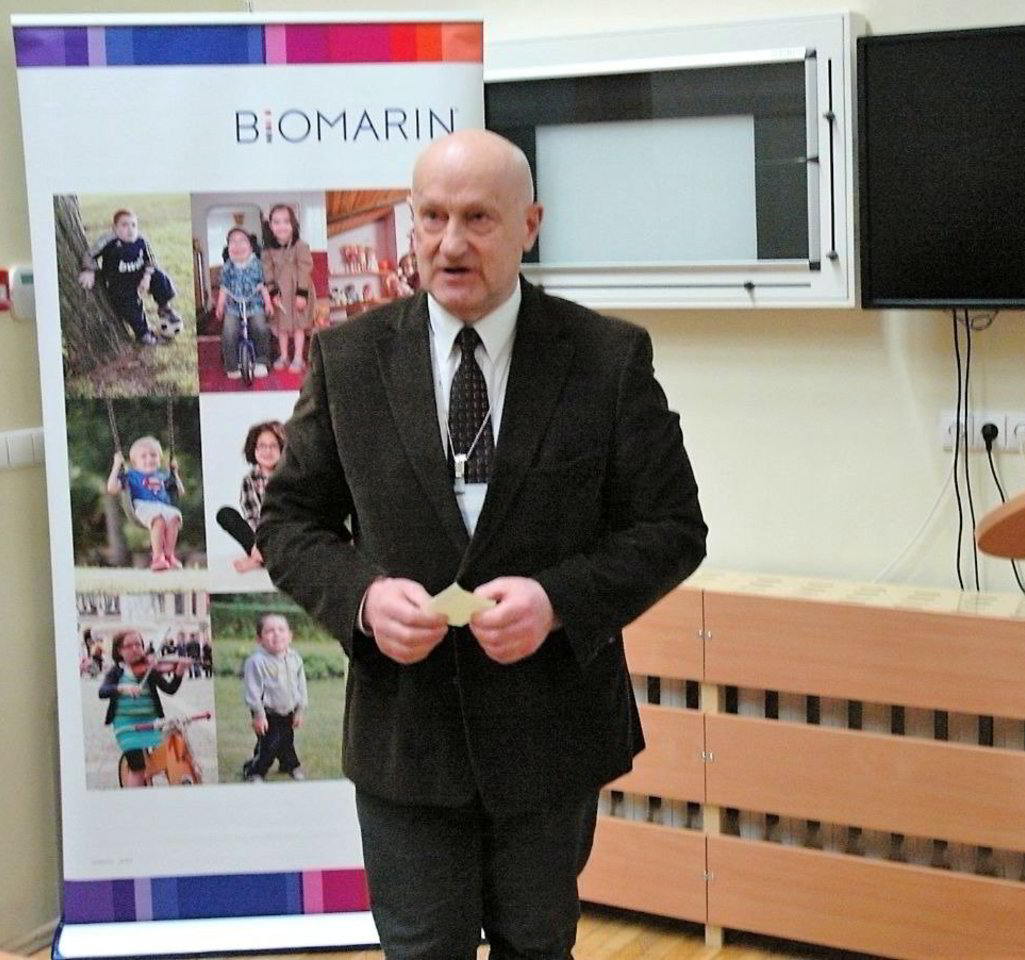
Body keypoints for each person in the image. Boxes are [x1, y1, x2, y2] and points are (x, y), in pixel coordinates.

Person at [257, 129, 706, 960]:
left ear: (531, 224)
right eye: (432, 217)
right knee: (421, 948)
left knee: (537, 945)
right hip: (406, 737)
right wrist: (362, 598)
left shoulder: (607, 359)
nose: (451, 242)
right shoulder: (348, 360)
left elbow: (673, 527)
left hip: (549, 734)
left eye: (478, 218)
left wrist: (558, 601)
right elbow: (288, 522)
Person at [78, 208, 184, 346]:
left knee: (159, 276)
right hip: (120, 284)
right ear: (115, 228)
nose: (130, 229)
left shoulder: (141, 240)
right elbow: (89, 255)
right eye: (124, 225)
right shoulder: (108, 241)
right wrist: (89, 270)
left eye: (133, 225)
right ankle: (143, 334)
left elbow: (150, 260)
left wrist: (147, 277)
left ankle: (164, 307)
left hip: (139, 276)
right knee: (132, 308)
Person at [98, 629, 185, 787]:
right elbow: (102, 691)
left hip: (152, 722)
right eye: (129, 646)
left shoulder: (149, 669)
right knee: (137, 767)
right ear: (119, 650)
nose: (135, 649)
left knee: (170, 755)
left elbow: (170, 689)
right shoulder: (116, 672)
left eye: (138, 645)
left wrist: (179, 673)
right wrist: (123, 688)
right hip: (126, 726)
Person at [240, 612, 308, 782]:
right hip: (267, 712)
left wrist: (300, 710)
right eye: (269, 631)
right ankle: (255, 771)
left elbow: (301, 686)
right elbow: (253, 691)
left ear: (290, 636)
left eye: (281, 630)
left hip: (289, 709)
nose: (276, 634)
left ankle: (287, 765)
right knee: (270, 744)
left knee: (286, 740)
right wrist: (259, 715)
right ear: (259, 639)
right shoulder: (256, 661)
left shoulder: (295, 659)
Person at [106, 435, 185, 571]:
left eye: (153, 455)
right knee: (159, 520)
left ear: (159, 459)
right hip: (143, 506)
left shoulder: (164, 475)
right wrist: (116, 466)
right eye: (143, 456)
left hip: (163, 506)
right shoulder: (131, 475)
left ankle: (169, 555)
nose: (149, 459)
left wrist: (175, 473)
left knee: (175, 517)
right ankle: (157, 558)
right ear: (135, 462)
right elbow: (112, 488)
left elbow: (180, 491)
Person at [216, 420, 286, 572]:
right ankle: (261, 556)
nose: (267, 451)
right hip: (260, 534)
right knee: (225, 514)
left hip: (285, 533)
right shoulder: (249, 480)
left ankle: (260, 559)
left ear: (282, 449)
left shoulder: (290, 475)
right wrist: (259, 544)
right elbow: (253, 517)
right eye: (262, 446)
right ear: (254, 449)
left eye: (273, 446)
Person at [261, 204, 315, 372]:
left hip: (298, 290)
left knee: (299, 325)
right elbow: (267, 272)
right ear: (270, 226)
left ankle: (298, 357)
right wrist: (273, 292)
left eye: (286, 221)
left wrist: (302, 294)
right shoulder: (268, 250)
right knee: (281, 325)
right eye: (276, 222)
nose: (282, 226)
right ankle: (284, 356)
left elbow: (305, 269)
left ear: (293, 224)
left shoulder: (301, 246)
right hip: (281, 293)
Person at [214, 227, 274, 379]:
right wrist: (220, 305)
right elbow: (224, 288)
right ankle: (232, 365)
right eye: (233, 242)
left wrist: (268, 303)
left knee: (260, 327)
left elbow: (263, 286)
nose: (238, 245)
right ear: (228, 248)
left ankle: (262, 361)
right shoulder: (227, 267)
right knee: (229, 330)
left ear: (251, 247)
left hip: (254, 304)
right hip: (233, 306)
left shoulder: (257, 265)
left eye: (242, 241)